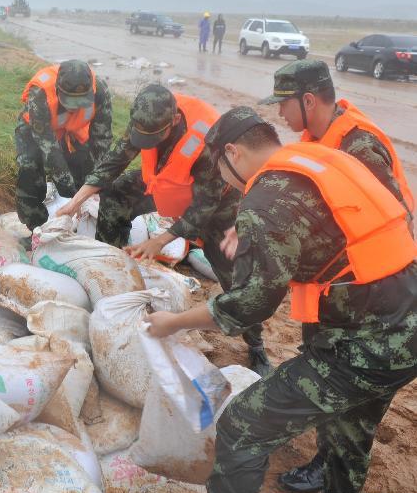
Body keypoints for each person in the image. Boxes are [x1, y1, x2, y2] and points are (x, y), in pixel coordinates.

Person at [147, 107, 417, 493]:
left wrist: (174, 322)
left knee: (242, 426)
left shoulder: (267, 200)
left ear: (232, 154)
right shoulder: (326, 159)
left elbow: (251, 306)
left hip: (367, 344)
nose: (222, 182)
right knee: (352, 422)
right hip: (404, 314)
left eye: (218, 170)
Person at [256, 58, 416, 493]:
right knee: (333, 392)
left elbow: (390, 222)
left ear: (308, 100)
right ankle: (324, 466)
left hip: (373, 300)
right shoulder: (320, 137)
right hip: (342, 294)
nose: (279, 115)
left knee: (352, 405)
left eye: (284, 104)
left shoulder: (359, 146)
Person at [56, 85, 272, 376]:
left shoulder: (206, 141)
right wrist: (77, 200)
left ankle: (255, 344)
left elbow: (204, 206)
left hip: (215, 207)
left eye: (151, 139)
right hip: (163, 185)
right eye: (140, 137)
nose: (143, 143)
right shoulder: (146, 120)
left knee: (234, 274)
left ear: (172, 122)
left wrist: (160, 240)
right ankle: (110, 275)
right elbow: (114, 163)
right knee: (117, 193)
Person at [15, 59, 112, 232]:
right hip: (37, 130)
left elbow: (101, 140)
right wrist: (71, 191)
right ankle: (36, 227)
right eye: (70, 101)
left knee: (85, 170)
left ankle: (82, 225)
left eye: (81, 101)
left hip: (73, 129)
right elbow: (49, 148)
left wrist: (92, 185)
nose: (75, 107)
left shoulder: (101, 91)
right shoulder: (40, 93)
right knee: (29, 168)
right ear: (58, 90)